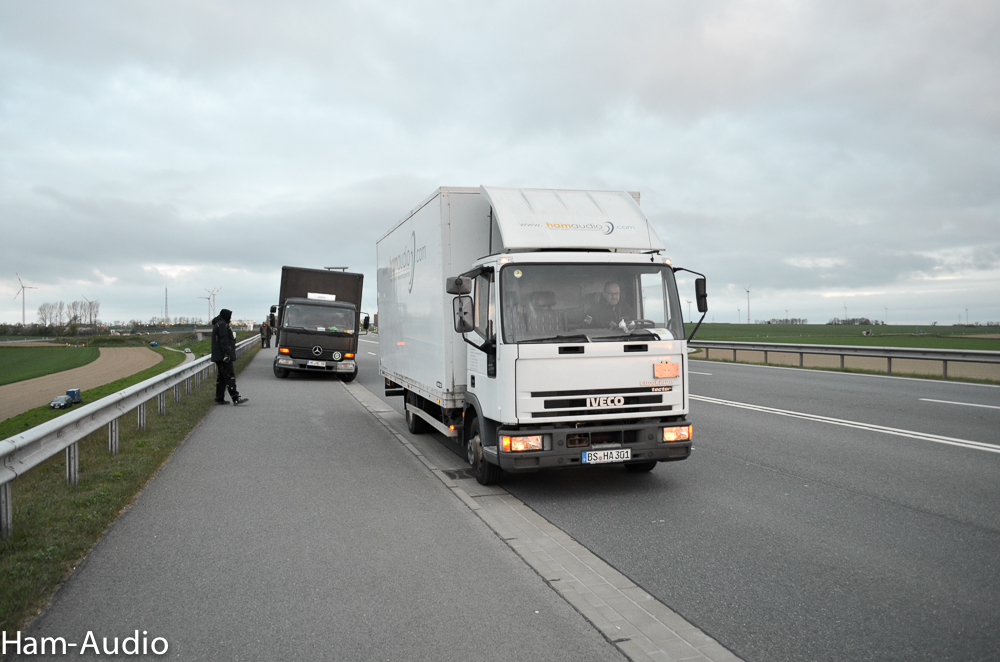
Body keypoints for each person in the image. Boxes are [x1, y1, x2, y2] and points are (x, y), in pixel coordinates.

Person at [212, 308, 248, 405]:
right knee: (229, 376)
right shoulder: (223, 325)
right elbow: (224, 340)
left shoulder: (218, 324)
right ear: (226, 316)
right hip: (223, 356)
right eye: (230, 317)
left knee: (222, 377)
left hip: (218, 355)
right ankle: (235, 398)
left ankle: (219, 398)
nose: (230, 319)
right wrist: (227, 354)